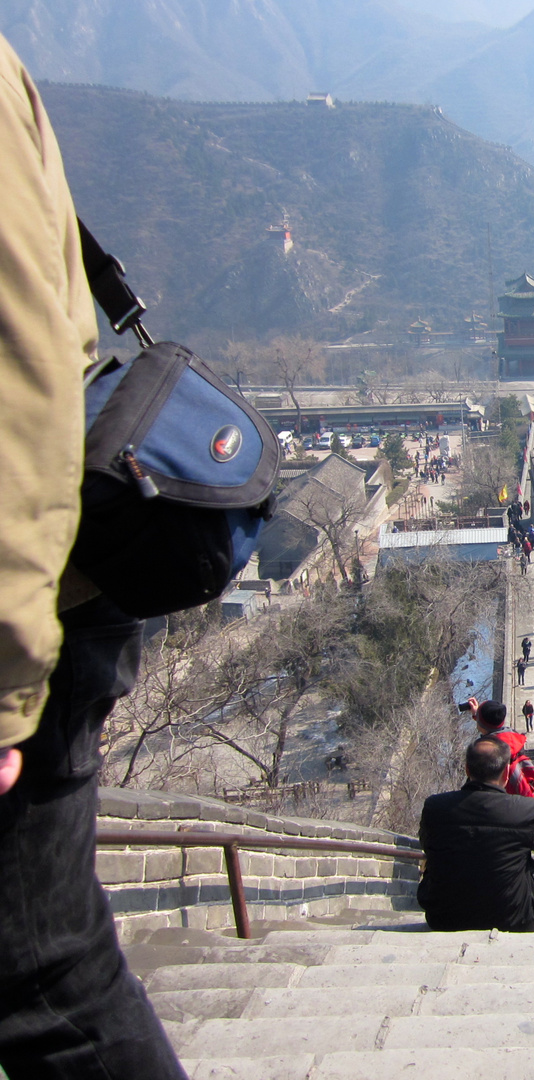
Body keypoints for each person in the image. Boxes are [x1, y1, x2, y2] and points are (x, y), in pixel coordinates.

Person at [0, 39, 188, 1077]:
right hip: (39, 603)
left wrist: (3, 690)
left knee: (41, 984)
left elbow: (20, 399)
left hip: (31, 618)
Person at [417, 736, 534, 932]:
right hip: (514, 917)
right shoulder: (524, 810)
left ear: (467, 770)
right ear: (506, 772)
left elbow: (426, 844)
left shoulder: (434, 807)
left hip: (443, 916)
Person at [462, 698, 534, 801]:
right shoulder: (513, 739)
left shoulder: (488, 754)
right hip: (524, 804)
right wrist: (478, 715)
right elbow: (490, 728)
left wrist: (479, 716)